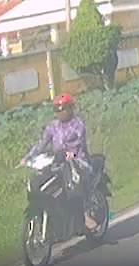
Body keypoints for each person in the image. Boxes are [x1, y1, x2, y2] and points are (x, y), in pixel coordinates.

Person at [21, 93, 98, 231]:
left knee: (74, 180)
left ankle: (85, 214)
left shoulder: (78, 124)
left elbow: (80, 146)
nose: (60, 112)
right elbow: (41, 144)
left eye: (63, 108)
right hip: (57, 161)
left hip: (77, 160)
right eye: (57, 109)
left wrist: (72, 154)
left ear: (71, 108)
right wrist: (28, 157)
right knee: (41, 180)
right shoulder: (53, 126)